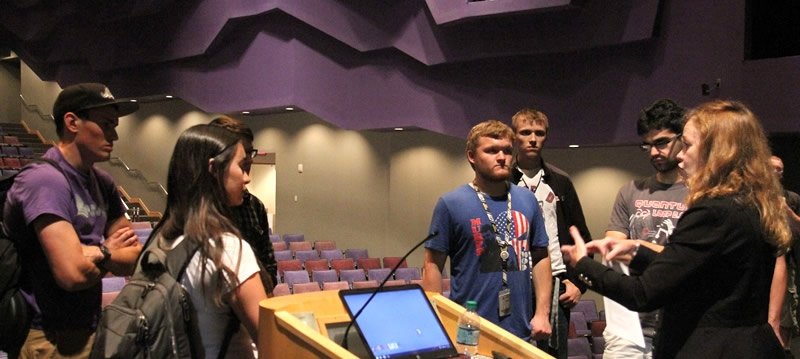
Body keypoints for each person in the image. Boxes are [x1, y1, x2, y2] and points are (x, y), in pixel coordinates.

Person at [562, 99, 790, 358]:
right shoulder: (754, 202)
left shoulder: (712, 211)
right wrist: (636, 251)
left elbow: (643, 294)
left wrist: (582, 263)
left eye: (689, 145)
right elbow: (702, 270)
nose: (681, 154)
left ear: (718, 151)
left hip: (712, 348)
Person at [4, 83, 143, 357]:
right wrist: (107, 250)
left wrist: (91, 254)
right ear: (72, 122)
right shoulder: (44, 181)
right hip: (45, 336)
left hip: (89, 328)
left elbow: (134, 258)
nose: (114, 135)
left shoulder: (104, 183)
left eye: (114, 126)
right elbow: (71, 274)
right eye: (106, 124)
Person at [422, 119, 552, 341]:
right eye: (492, 151)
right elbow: (433, 264)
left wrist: (542, 313)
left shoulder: (527, 200)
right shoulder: (451, 204)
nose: (502, 157)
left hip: (521, 330)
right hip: (469, 330)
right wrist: (435, 320)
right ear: (472, 156)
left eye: (507, 151)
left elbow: (541, 257)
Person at [150, 124, 267, 358]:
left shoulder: (158, 241)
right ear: (213, 168)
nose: (247, 178)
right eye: (242, 167)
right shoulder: (228, 248)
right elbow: (269, 337)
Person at [600, 99, 689, 358]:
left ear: (683, 139)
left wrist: (637, 249)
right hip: (628, 326)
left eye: (661, 142)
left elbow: (690, 262)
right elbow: (613, 249)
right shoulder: (630, 191)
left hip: (678, 323)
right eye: (647, 145)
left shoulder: (701, 195)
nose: (653, 152)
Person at [510, 108, 592, 358]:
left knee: (553, 354)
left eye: (539, 133)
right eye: (525, 132)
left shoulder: (560, 182)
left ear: (546, 137)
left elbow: (582, 238)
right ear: (514, 136)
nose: (533, 138)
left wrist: (579, 283)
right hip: (515, 279)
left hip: (556, 281)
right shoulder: (503, 181)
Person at [209, 115, 277, 290]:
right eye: (242, 154)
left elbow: (267, 260)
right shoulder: (200, 211)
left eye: (250, 151)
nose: (250, 159)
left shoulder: (255, 206)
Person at [771, 155, 800, 356]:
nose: (775, 172)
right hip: (758, 260)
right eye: (771, 168)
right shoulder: (752, 194)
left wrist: (787, 211)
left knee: (786, 311)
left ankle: (785, 351)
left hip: (785, 259)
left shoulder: (791, 197)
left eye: (779, 169)